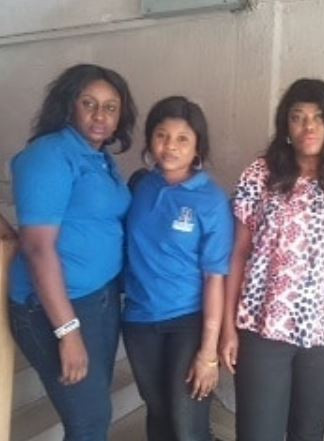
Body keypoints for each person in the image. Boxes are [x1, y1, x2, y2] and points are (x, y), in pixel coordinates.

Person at [220, 78, 324, 441]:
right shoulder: (261, 174)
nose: (308, 126)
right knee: (257, 433)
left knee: (308, 433)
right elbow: (238, 253)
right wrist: (227, 327)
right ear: (286, 126)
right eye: (298, 117)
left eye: (319, 117)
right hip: (262, 327)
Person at [9, 64, 136, 441]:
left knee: (94, 411)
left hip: (99, 297)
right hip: (55, 307)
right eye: (89, 103)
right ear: (68, 105)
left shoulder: (98, 156)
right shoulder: (49, 156)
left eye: (110, 107)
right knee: (89, 422)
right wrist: (67, 331)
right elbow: (37, 248)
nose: (100, 115)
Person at [122, 96, 234, 441]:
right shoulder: (140, 186)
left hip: (187, 321)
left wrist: (208, 353)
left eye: (182, 138)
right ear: (150, 140)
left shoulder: (210, 200)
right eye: (161, 135)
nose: (170, 146)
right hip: (139, 321)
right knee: (158, 415)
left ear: (198, 146)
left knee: (187, 424)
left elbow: (215, 278)